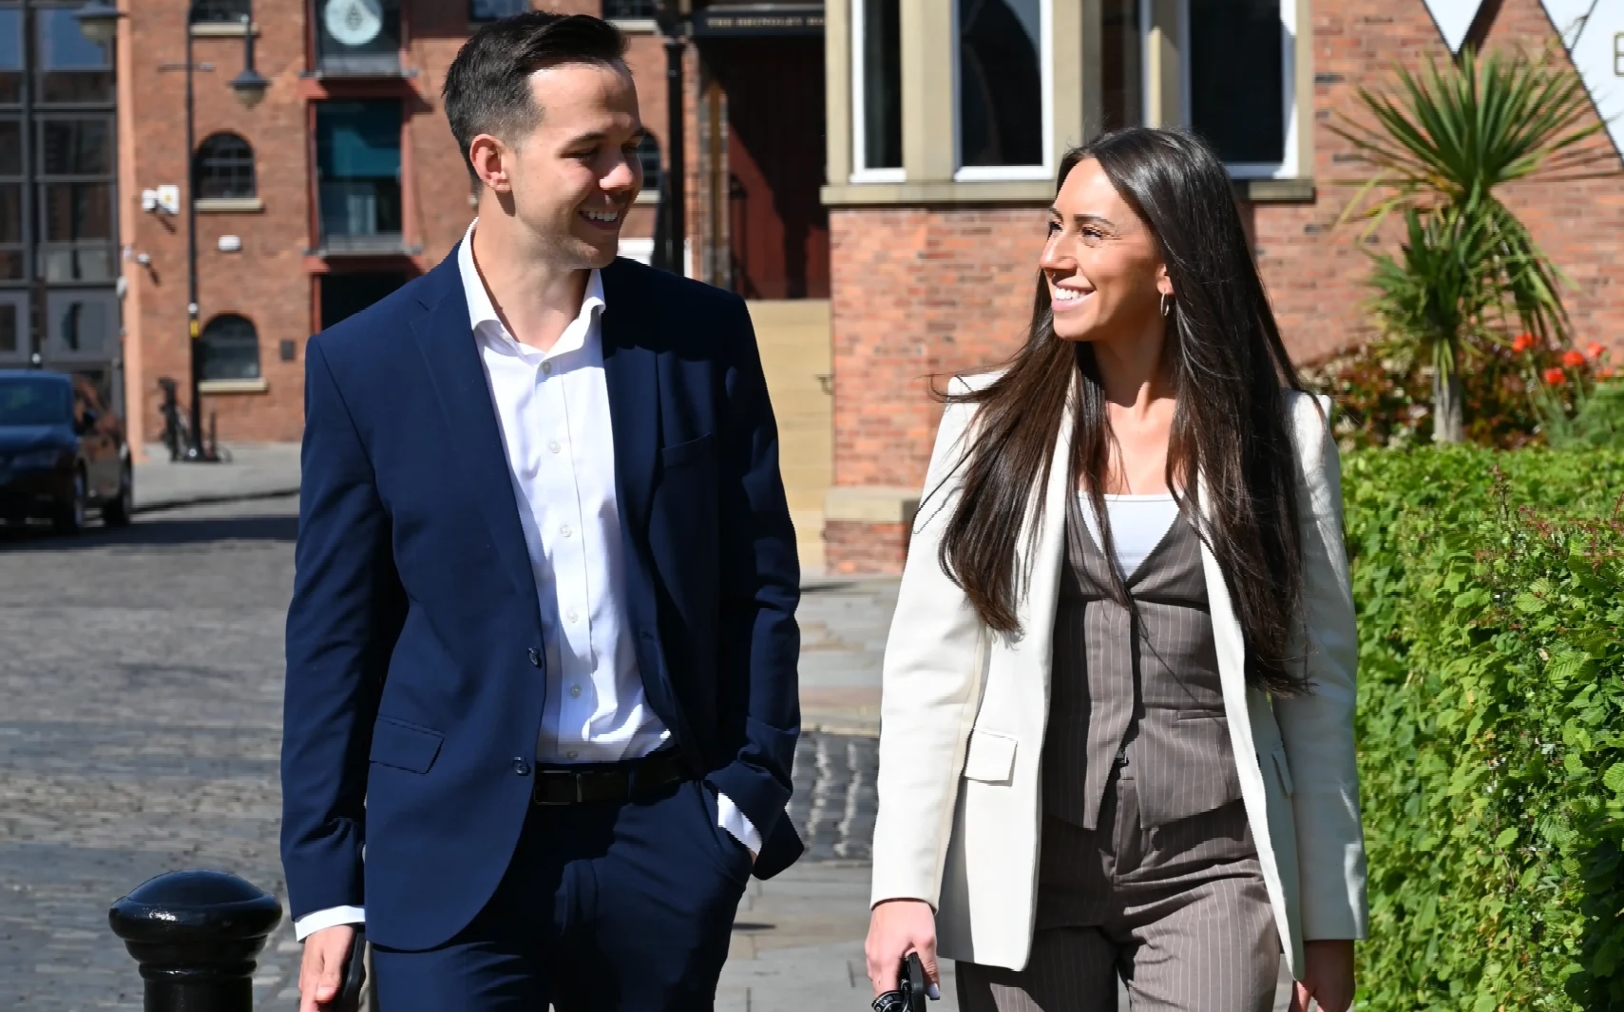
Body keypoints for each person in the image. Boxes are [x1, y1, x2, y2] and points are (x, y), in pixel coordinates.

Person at [280, 13, 803, 1011]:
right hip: (449, 854)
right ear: (496, 161)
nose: (622, 178)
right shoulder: (368, 366)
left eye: (630, 149)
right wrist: (324, 892)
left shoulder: (699, 335)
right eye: (590, 153)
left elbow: (760, 584)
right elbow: (333, 640)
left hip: (662, 842)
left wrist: (740, 799)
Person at [863, 128, 1368, 1012]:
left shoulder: (1282, 437)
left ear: (1172, 264)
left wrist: (1329, 923)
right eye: (1054, 227)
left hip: (1216, 867)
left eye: (1091, 234)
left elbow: (1318, 688)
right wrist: (901, 884)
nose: (1055, 256)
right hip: (1025, 864)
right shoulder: (986, 426)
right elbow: (929, 675)